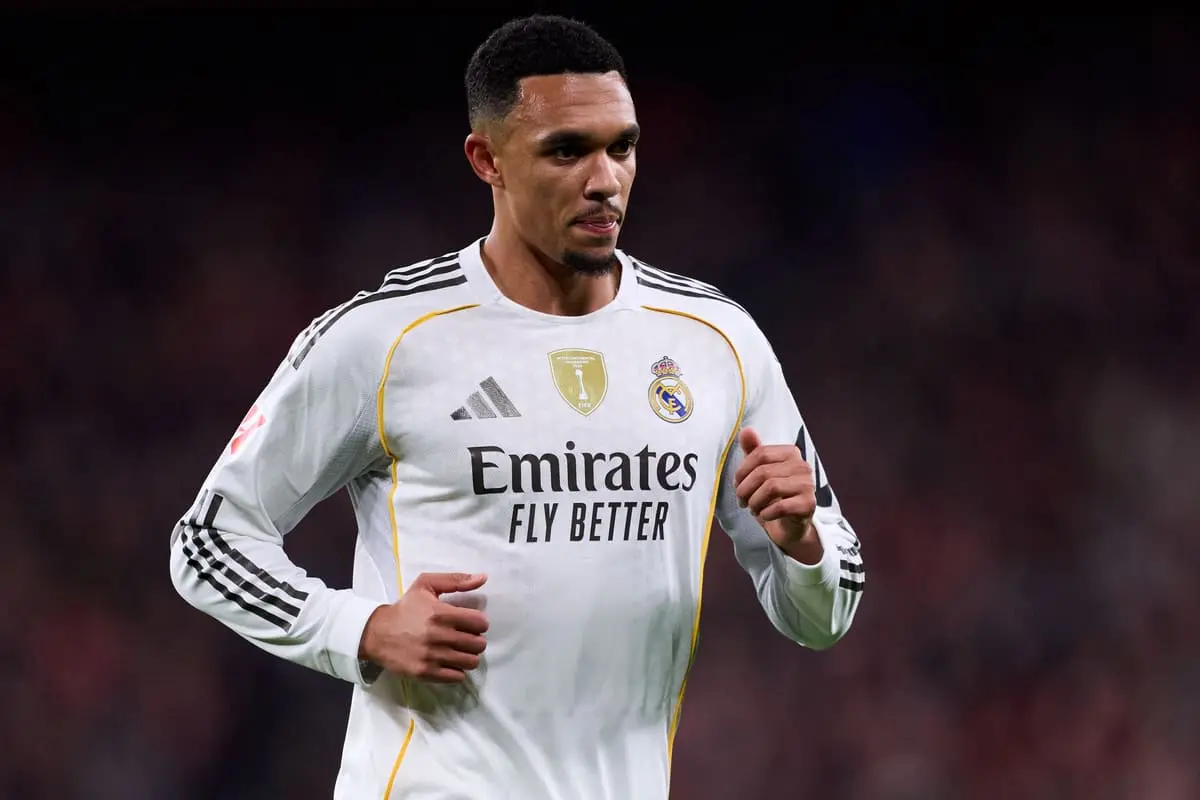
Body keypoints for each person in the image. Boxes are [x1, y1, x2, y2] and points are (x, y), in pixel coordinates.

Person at [169, 13, 865, 800]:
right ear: (486, 159)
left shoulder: (718, 341)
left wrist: (801, 541)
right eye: (567, 150)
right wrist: (359, 629)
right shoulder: (386, 338)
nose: (604, 179)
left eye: (622, 146)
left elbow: (825, 616)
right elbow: (208, 542)